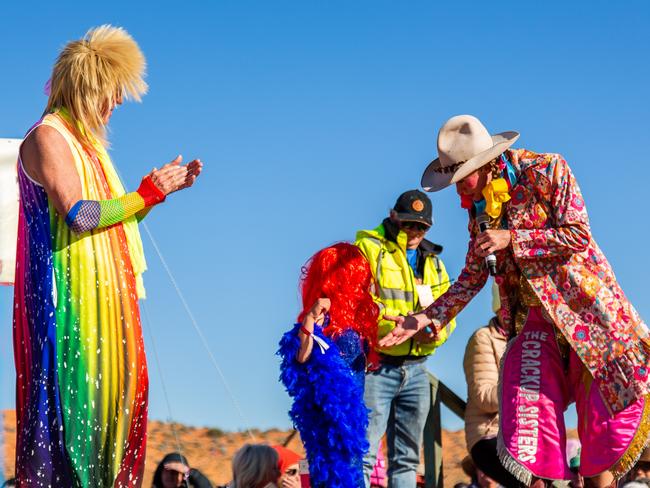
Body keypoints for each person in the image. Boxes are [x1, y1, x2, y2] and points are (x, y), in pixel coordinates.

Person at [380, 115, 650, 487]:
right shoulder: (478, 212)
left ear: (486, 163)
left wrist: (513, 238)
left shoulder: (547, 169)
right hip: (532, 322)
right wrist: (426, 317)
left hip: (585, 315)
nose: (461, 193)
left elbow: (577, 234)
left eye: (464, 181)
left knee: (598, 424)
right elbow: (472, 276)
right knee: (531, 422)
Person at [13, 25, 202, 486]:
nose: (115, 105)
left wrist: (156, 196)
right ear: (88, 87)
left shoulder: (89, 147)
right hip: (69, 304)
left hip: (106, 301)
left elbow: (113, 221)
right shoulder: (48, 136)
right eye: (112, 93)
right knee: (74, 418)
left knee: (117, 413)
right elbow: (80, 214)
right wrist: (146, 193)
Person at [355, 190, 455, 487]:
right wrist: (394, 322)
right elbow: (357, 301)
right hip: (376, 366)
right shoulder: (368, 248)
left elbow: (449, 311)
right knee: (363, 452)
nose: (414, 232)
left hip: (417, 369)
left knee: (408, 458)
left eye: (421, 227)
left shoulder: (434, 262)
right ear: (393, 216)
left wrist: (435, 332)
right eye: (409, 224)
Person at [278, 243, 380, 487]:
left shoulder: (359, 323)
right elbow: (301, 357)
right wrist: (311, 319)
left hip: (350, 422)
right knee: (334, 477)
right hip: (327, 421)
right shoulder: (320, 322)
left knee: (351, 476)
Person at [463, 315, 521, 487]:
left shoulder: (533, 338)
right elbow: (484, 397)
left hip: (527, 432)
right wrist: (526, 391)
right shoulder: (483, 338)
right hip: (491, 431)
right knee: (531, 480)